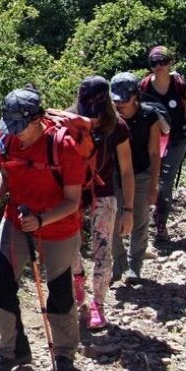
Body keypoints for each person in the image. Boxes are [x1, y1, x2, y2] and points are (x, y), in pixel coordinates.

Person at [0, 86, 86, 371]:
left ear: (37, 119)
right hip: (17, 220)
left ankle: (64, 356)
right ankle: (12, 351)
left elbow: (73, 201)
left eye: (20, 127)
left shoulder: (64, 146)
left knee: (59, 292)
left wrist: (42, 219)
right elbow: (6, 174)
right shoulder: (6, 139)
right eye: (10, 127)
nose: (15, 133)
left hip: (58, 226)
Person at [68, 76, 133, 330]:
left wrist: (128, 209)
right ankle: (77, 281)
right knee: (70, 247)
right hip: (73, 192)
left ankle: (99, 303)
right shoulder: (69, 121)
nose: (92, 118)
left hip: (104, 191)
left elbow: (126, 170)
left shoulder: (117, 127)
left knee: (102, 249)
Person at [140, 46, 186, 242]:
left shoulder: (180, 87)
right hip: (150, 142)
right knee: (146, 181)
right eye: (154, 62)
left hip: (176, 140)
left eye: (163, 61)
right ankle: (140, 224)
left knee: (165, 184)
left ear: (170, 62)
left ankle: (160, 224)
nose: (158, 66)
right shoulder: (143, 87)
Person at [109, 72, 165, 283]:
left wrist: (153, 185)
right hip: (113, 175)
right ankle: (118, 260)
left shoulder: (149, 116)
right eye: (116, 99)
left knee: (139, 221)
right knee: (112, 219)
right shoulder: (111, 117)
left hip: (141, 173)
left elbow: (154, 152)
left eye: (124, 99)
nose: (119, 104)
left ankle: (135, 264)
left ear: (135, 96)